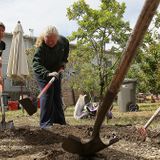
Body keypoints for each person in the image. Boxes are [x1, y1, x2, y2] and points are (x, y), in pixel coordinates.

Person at [33, 26, 69, 128]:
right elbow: (36, 65)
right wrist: (47, 74)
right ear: (44, 38)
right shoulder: (41, 47)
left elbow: (66, 49)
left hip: (56, 70)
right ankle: (45, 123)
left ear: (57, 38)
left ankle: (59, 121)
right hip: (43, 71)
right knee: (48, 94)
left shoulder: (63, 41)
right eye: (48, 41)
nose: (50, 43)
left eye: (53, 41)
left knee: (57, 93)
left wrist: (63, 62)